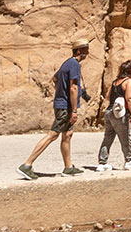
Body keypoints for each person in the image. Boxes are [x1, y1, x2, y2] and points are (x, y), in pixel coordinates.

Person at [19, 41, 88, 179]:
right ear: (79, 51)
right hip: (66, 107)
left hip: (62, 103)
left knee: (67, 134)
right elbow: (73, 88)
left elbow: (55, 79)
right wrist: (74, 110)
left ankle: (68, 167)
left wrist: (61, 91)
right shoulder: (74, 64)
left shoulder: (67, 63)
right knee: (53, 135)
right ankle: (27, 165)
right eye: (86, 50)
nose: (88, 53)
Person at [95, 59, 131, 170]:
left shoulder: (114, 82)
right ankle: (129, 160)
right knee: (125, 136)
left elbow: (108, 97)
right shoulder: (128, 81)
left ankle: (102, 163)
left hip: (109, 111)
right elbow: (129, 98)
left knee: (108, 138)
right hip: (120, 113)